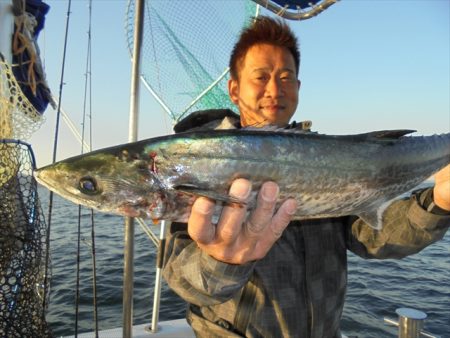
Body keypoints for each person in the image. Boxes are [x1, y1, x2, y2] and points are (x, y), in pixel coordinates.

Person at [162, 16, 450, 337]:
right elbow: (188, 283)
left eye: (286, 77)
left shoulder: (323, 157)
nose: (275, 89)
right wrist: (221, 260)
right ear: (233, 89)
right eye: (261, 77)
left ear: (298, 88)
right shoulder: (202, 166)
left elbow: (373, 237)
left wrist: (439, 203)